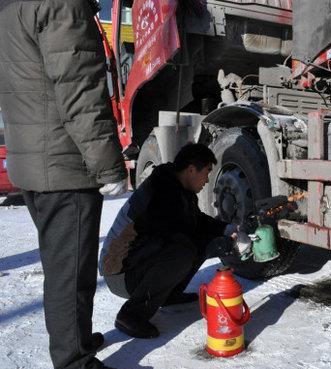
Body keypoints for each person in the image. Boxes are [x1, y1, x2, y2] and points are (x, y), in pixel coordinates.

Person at [0, 1, 128, 369]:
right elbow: (81, 94)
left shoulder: (12, 8)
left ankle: (79, 339)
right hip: (64, 165)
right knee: (70, 274)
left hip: (34, 162)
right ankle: (74, 361)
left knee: (64, 265)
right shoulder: (62, 5)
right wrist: (108, 167)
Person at [100, 143, 245, 339]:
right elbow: (175, 233)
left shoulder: (178, 186)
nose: (208, 179)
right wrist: (213, 245)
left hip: (136, 263)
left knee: (191, 247)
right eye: (207, 172)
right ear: (191, 169)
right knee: (183, 251)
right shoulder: (160, 191)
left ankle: (168, 295)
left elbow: (195, 221)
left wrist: (225, 230)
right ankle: (130, 315)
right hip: (121, 273)